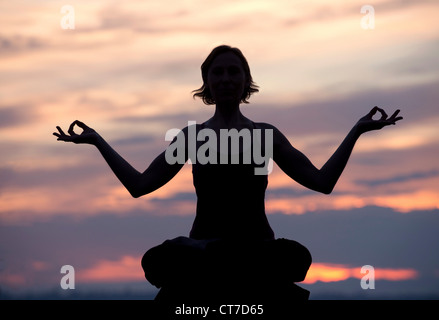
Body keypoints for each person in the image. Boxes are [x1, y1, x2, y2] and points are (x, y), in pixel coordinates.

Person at [53, 45, 403, 301]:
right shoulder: (192, 137)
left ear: (245, 81)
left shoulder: (264, 135)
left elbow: (322, 182)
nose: (225, 78)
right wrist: (99, 142)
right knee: (159, 261)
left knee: (296, 258)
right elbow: (140, 185)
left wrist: (356, 131)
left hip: (256, 252)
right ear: (206, 82)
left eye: (233, 71)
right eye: (217, 72)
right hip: (203, 253)